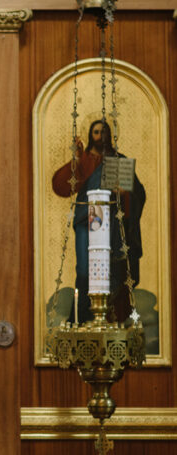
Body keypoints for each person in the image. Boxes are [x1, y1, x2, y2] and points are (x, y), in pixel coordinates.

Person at [52, 119, 146, 323]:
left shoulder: (118, 160)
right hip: (87, 219)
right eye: (95, 132)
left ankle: (110, 319)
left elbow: (139, 193)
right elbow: (61, 186)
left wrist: (125, 194)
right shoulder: (84, 160)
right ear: (90, 135)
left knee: (113, 269)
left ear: (109, 134)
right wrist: (76, 159)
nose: (100, 136)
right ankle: (81, 318)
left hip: (112, 222)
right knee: (84, 270)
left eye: (103, 132)